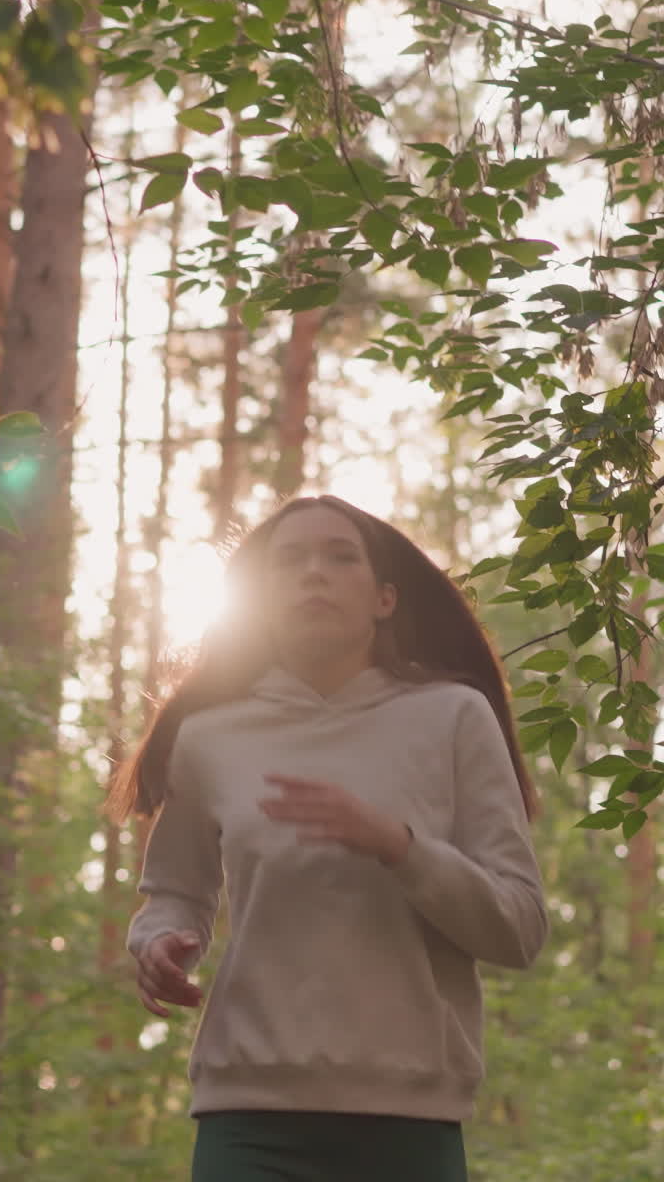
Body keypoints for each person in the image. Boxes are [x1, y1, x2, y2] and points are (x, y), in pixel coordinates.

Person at [107, 495, 549, 1182]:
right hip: (246, 1113)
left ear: (384, 598)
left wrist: (399, 846)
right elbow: (173, 894)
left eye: (340, 556)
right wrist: (159, 942)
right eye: (291, 559)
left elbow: (519, 928)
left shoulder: (455, 718)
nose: (315, 573)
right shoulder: (211, 737)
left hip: (409, 1122)